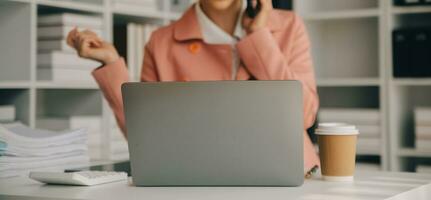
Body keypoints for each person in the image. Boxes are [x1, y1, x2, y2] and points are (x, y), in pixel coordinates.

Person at [67, 0, 320, 175]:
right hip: (198, 181)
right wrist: (111, 63)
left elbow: (304, 114)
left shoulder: (288, 27)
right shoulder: (161, 42)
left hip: (288, 179)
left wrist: (259, 37)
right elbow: (146, 136)